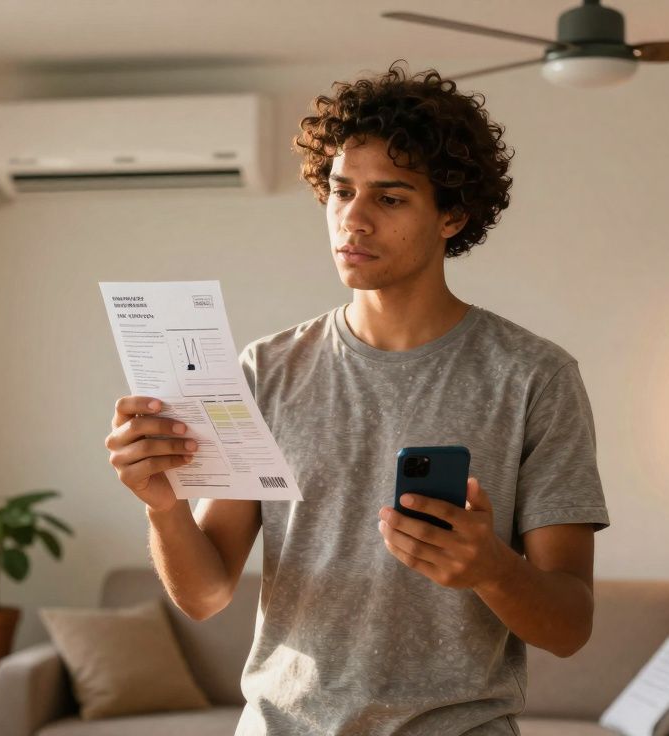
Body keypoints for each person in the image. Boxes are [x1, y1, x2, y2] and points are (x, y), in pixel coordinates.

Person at [105, 61, 610, 736]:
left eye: (390, 198)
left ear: (451, 216)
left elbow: (570, 626)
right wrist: (163, 507)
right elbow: (204, 594)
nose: (354, 220)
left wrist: (491, 568)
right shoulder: (267, 368)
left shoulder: (534, 377)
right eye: (342, 192)